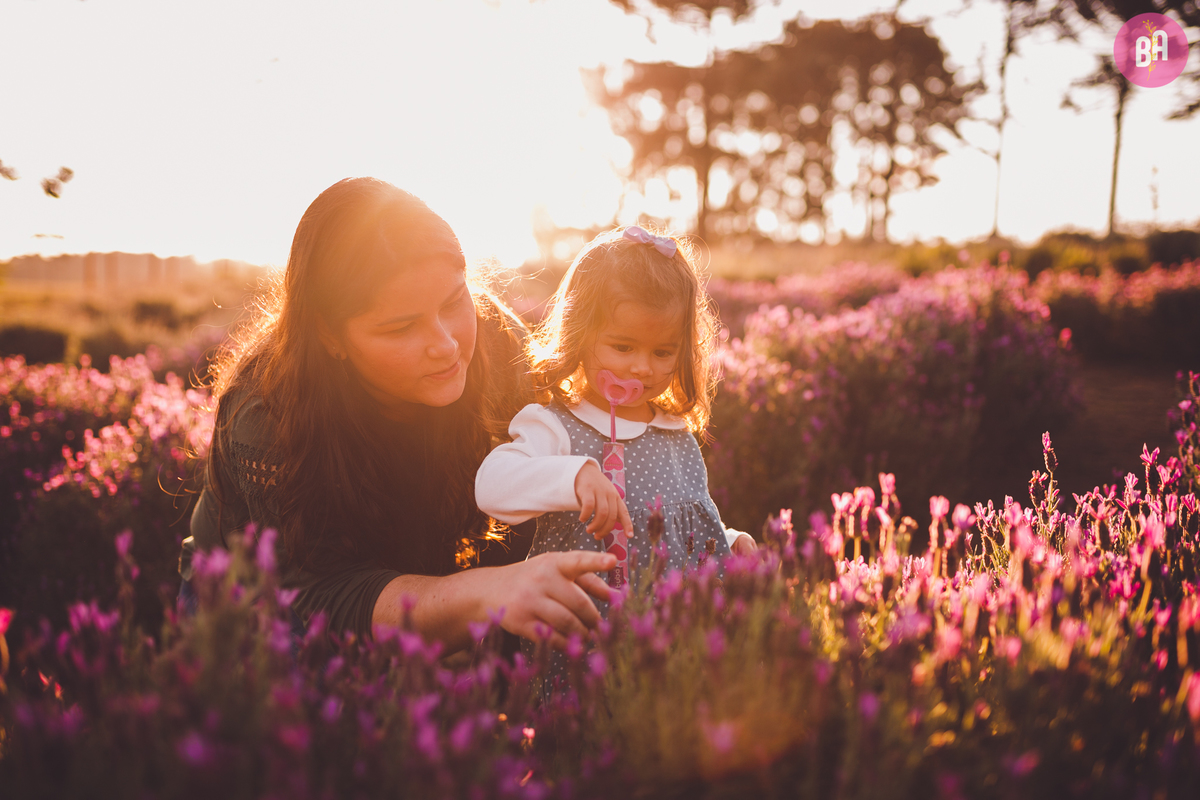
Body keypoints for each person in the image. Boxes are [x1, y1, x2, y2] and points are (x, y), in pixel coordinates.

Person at [179, 177, 616, 653]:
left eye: (453, 301)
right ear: (329, 335)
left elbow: (537, 503)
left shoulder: (495, 342)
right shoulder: (265, 411)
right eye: (401, 327)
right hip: (257, 613)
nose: (447, 346)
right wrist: (486, 594)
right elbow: (325, 597)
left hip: (424, 580)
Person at [475, 225, 757, 611]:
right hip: (590, 632)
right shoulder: (558, 427)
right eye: (623, 346)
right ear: (579, 334)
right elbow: (491, 487)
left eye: (662, 352)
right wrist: (573, 475)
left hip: (674, 637)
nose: (641, 367)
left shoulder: (675, 432)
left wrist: (726, 540)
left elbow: (682, 528)